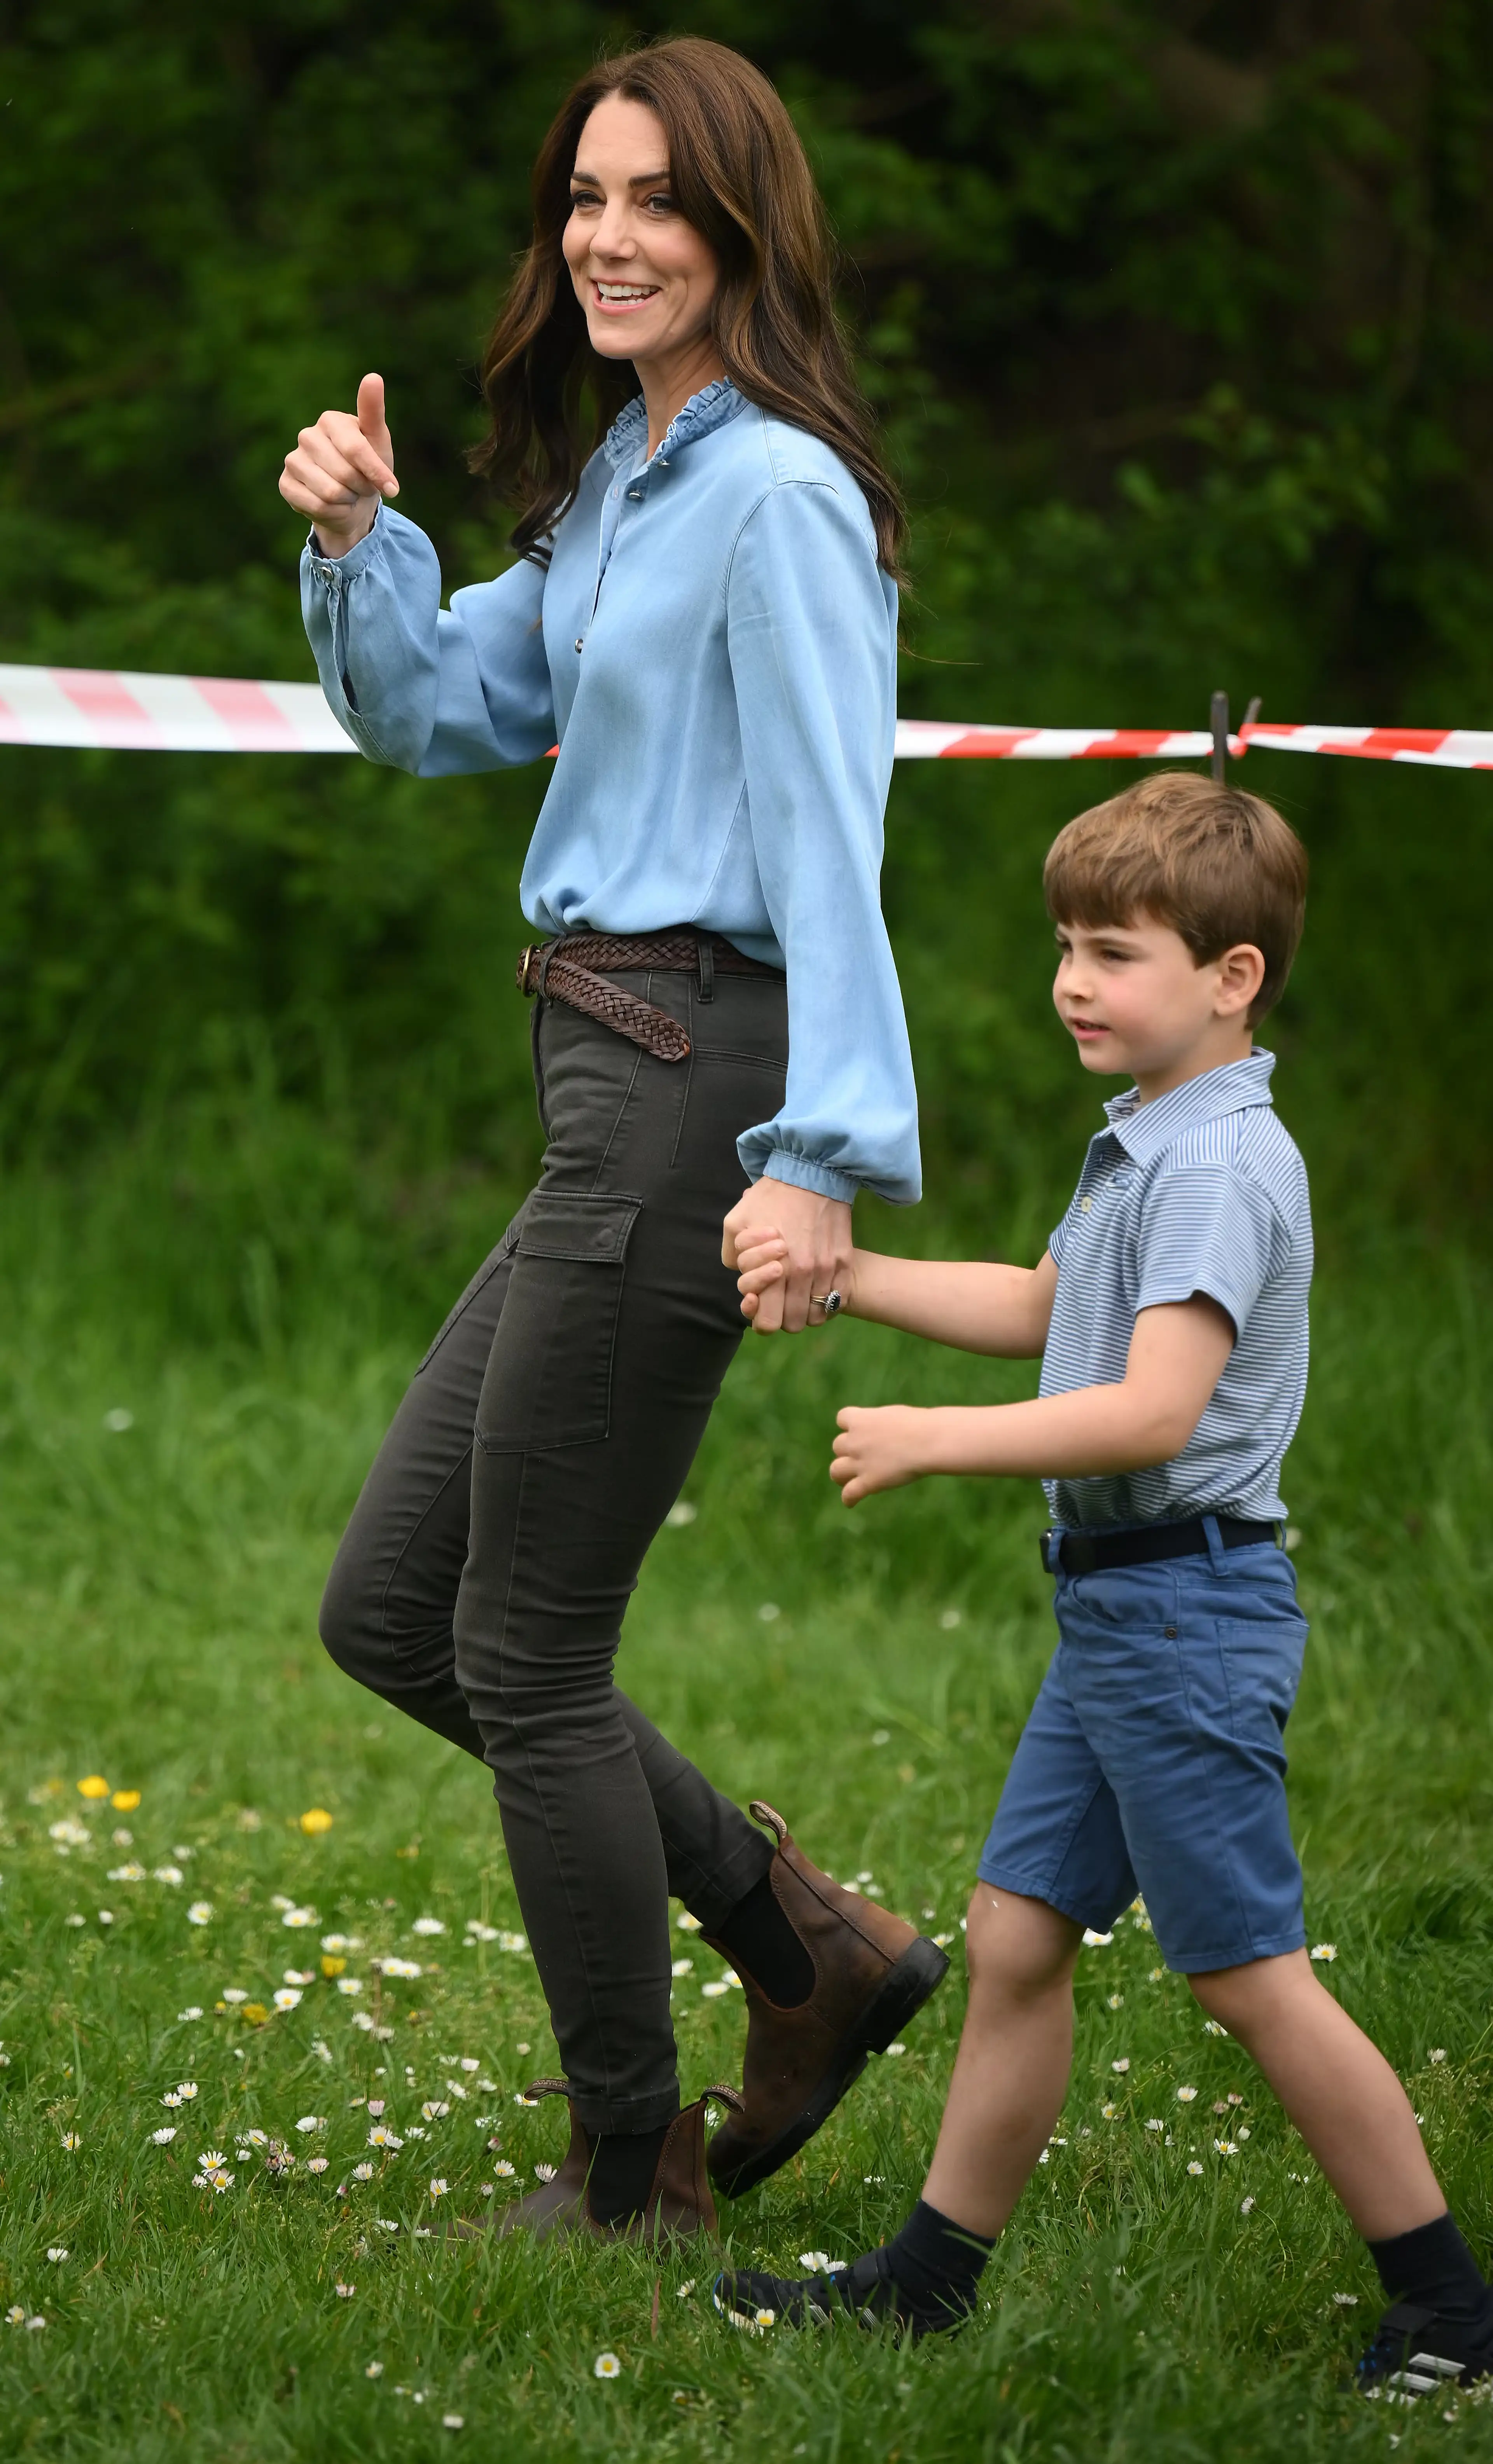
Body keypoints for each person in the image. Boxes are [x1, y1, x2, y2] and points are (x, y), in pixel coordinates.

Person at [276, 36, 947, 2245]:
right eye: (584, 198)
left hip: (695, 1092)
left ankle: (630, 2162)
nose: (607, 236)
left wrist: (820, 1146)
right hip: (605, 1082)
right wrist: (370, 548)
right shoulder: (629, 482)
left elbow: (836, 842)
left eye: (656, 199)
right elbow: (447, 711)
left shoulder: (778, 495)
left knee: (527, 1653)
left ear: (742, 229)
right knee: (397, 1610)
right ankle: (809, 1944)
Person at [719, 770, 1493, 2399]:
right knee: (1014, 1940)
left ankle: (1450, 2308)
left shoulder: (1217, 1169)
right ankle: (928, 2283)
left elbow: (1154, 1407)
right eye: (1067, 945)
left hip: (1187, 1615)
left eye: (1116, 951)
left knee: (1245, 1977)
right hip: (1125, 1610)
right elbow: (1039, 1308)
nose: (1075, 979)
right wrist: (843, 1272)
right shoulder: (1148, 1141)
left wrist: (938, 1440)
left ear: (1233, 977)